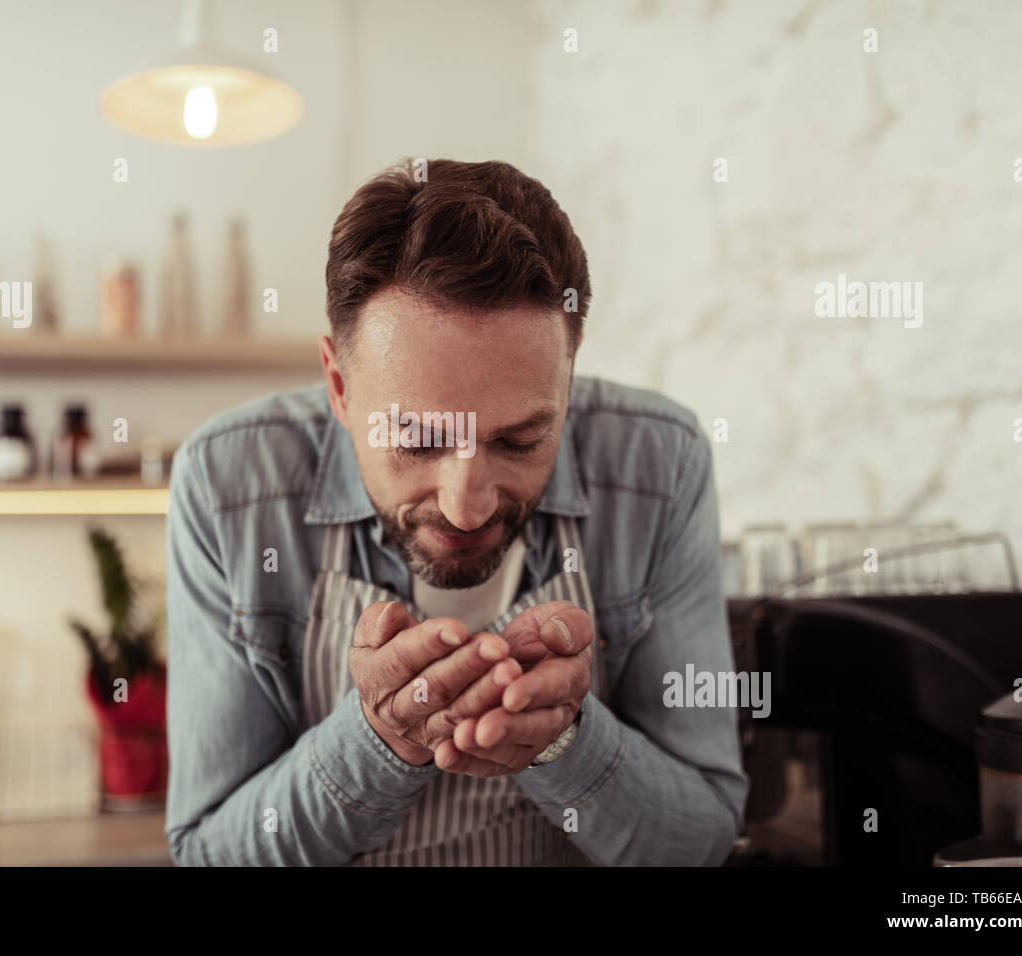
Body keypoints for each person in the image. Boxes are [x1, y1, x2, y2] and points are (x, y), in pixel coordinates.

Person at [165, 158, 747, 866]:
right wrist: (378, 740)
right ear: (340, 385)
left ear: (569, 377)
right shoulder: (229, 484)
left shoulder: (661, 463)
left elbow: (703, 837)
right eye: (416, 439)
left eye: (521, 439)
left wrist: (566, 740)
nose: (465, 505)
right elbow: (208, 853)